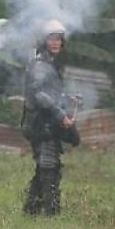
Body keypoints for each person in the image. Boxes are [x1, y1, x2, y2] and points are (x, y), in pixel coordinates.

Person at [22, 20, 80, 216]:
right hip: (42, 124)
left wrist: (65, 97)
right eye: (51, 39)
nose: (56, 43)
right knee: (48, 166)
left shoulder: (50, 64)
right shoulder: (40, 66)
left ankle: (31, 209)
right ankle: (50, 212)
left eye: (58, 39)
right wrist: (61, 115)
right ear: (44, 41)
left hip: (47, 123)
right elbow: (39, 95)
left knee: (45, 168)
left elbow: (51, 92)